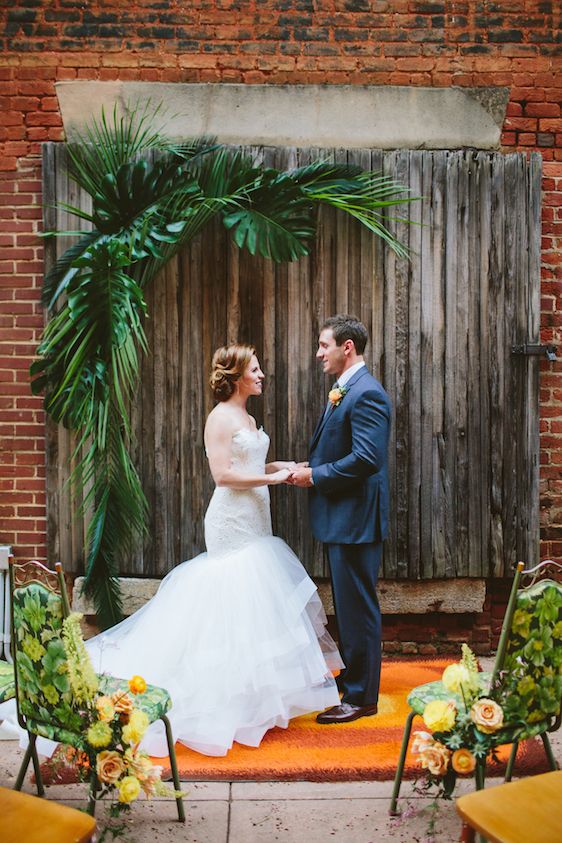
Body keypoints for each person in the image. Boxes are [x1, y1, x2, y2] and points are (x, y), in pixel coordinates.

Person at [85, 343, 342, 757]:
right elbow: (224, 476)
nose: (261, 375)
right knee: (234, 596)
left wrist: (280, 467)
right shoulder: (219, 418)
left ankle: (251, 696)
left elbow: (250, 464)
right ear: (237, 376)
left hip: (257, 518)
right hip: (231, 522)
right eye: (255, 369)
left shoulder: (248, 415)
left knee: (255, 606)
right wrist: (275, 482)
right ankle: (221, 698)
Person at [289, 315, 391, 724]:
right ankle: (355, 678)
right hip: (344, 518)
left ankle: (363, 697)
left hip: (356, 520)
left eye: (324, 345)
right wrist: (310, 464)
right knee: (348, 607)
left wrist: (315, 476)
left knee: (359, 608)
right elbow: (343, 448)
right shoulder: (345, 390)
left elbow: (367, 458)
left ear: (347, 347)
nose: (319, 353)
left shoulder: (366, 393)